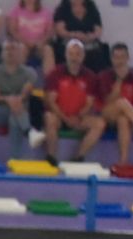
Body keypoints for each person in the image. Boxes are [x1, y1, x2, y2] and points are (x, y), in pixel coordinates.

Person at [43, 38, 106, 167]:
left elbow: (89, 103)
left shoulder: (90, 77)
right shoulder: (55, 74)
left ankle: (79, 157)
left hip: (79, 118)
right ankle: (51, 156)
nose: (74, 58)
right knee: (49, 118)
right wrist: (65, 118)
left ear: (83, 56)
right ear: (66, 55)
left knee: (99, 123)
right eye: (71, 54)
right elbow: (51, 101)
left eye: (77, 54)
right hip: (60, 117)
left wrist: (78, 117)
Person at [0, 38, 40, 159]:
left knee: (14, 118)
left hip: (20, 110)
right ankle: (29, 132)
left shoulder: (30, 72)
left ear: (20, 53)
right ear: (2, 53)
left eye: (13, 49)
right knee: (15, 111)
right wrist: (9, 100)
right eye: (7, 49)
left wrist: (16, 101)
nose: (10, 52)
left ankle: (14, 158)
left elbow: (25, 93)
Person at [53, 0, 107, 71]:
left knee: (101, 52)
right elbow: (60, 30)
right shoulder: (62, 8)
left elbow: (98, 30)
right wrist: (74, 35)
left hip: (88, 43)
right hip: (68, 43)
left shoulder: (91, 7)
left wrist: (89, 37)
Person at [8, 0, 56, 71]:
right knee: (21, 48)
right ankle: (17, 80)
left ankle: (50, 79)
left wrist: (41, 41)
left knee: (48, 50)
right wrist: (25, 42)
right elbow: (12, 31)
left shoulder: (46, 12)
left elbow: (50, 32)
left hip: (40, 45)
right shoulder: (16, 11)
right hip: (22, 43)